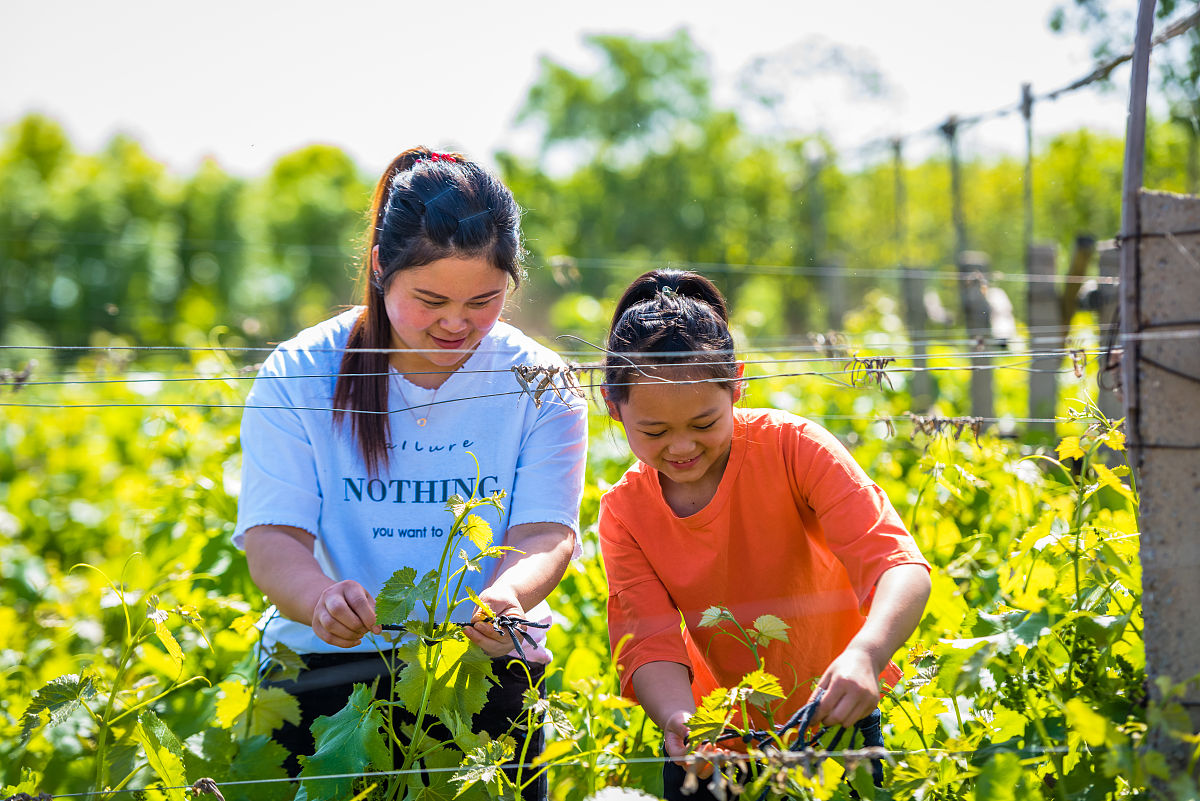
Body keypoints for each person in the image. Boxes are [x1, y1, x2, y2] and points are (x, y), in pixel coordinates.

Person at [233, 146, 587, 798]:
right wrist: (320, 599)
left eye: (485, 299)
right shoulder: (300, 370)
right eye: (430, 299)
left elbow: (548, 531)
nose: (457, 322)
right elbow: (271, 538)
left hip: (479, 667)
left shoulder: (541, 380)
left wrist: (505, 597)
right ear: (379, 268)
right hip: (323, 668)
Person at [596, 269, 931, 799]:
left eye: (704, 423)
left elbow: (898, 565)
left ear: (738, 385)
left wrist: (866, 654)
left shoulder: (793, 447)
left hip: (834, 716)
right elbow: (650, 643)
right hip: (715, 739)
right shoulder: (625, 512)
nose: (681, 447)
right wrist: (681, 719)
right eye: (654, 432)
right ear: (615, 409)